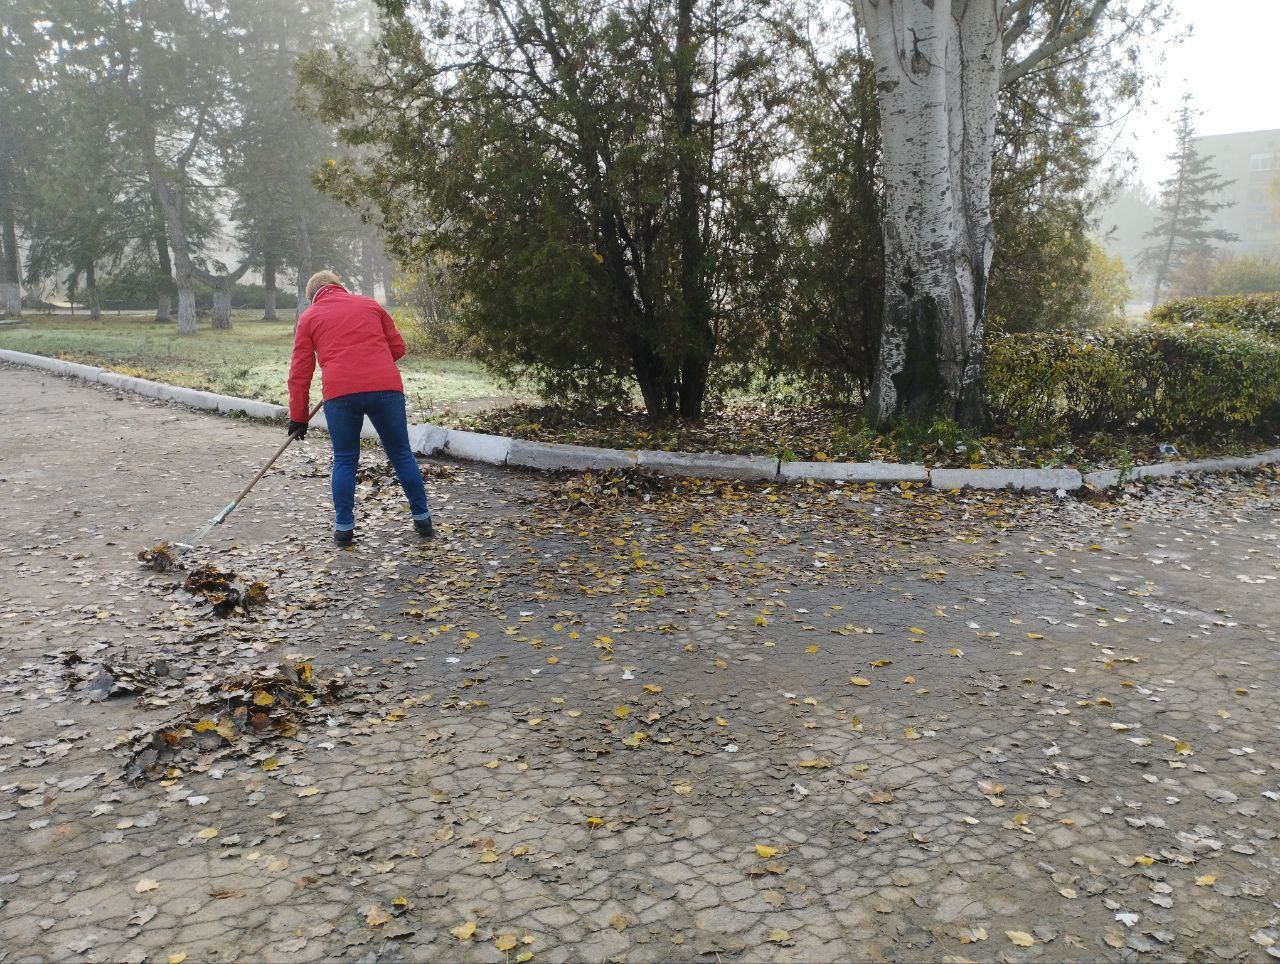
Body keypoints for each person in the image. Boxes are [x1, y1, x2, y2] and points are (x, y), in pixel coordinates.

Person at [287, 270, 433, 546]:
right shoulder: (370, 304)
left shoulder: (309, 317)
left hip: (340, 394)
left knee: (344, 458)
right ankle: (423, 519)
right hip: (386, 388)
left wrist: (299, 417)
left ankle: (344, 529)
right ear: (338, 286)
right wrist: (372, 363)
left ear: (312, 297)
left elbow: (299, 374)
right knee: (401, 454)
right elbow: (398, 348)